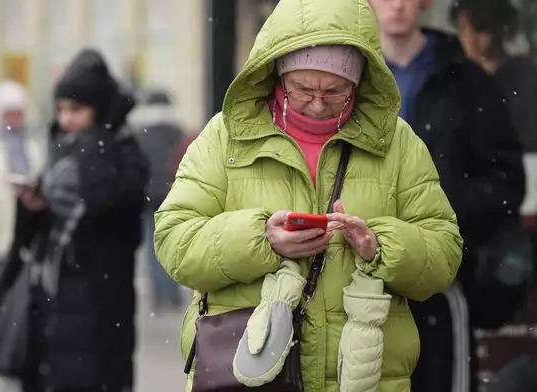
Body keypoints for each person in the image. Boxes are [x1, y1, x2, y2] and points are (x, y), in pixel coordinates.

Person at [154, 0, 463, 391]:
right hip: (248, 373)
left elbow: (445, 252)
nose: (317, 103)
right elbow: (174, 240)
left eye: (336, 92)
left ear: (360, 83)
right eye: (302, 89)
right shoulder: (224, 136)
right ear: (278, 75)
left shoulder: (399, 144)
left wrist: (380, 247)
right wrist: (261, 239)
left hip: (364, 378)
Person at [368, 0, 526, 391]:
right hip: (361, 277)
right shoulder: (351, 78)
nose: (398, 4)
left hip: (442, 281)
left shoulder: (467, 81)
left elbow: (506, 182)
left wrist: (439, 211)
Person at [16, 49, 148, 392]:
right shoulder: (61, 152)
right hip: (51, 303)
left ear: (99, 110)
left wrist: (95, 141)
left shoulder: (121, 151)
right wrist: (32, 208)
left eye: (76, 109)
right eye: (60, 109)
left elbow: (105, 204)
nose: (65, 120)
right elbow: (30, 240)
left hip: (100, 307)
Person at [452, 0, 537, 153]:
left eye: (479, 30)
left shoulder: (521, 75)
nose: (470, 39)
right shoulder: (456, 77)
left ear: (497, 31)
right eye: (463, 30)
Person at [0, 80, 46, 269]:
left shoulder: (35, 144)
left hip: (31, 227)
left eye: (18, 113)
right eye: (9, 114)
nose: (14, 119)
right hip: (0, 226)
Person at [130, 89, 185, 311]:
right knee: (172, 243)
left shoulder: (140, 132)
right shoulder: (177, 131)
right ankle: (171, 292)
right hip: (172, 193)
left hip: (147, 196)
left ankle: (158, 294)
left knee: (153, 248)